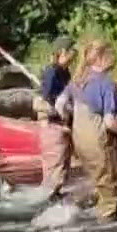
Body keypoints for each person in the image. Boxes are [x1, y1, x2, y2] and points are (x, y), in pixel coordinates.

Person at [69, 40, 117, 220]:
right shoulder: (106, 83)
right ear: (102, 58)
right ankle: (108, 227)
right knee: (112, 189)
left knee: (99, 183)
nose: (115, 57)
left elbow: (61, 105)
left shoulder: (78, 80)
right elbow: (109, 122)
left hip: (81, 141)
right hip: (99, 143)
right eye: (112, 53)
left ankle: (90, 211)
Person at [34, 39, 76, 198]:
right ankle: (49, 199)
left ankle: (56, 195)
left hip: (63, 120)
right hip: (53, 123)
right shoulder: (51, 72)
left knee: (63, 166)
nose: (74, 56)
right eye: (72, 52)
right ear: (63, 53)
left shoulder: (65, 72)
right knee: (55, 166)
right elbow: (46, 99)